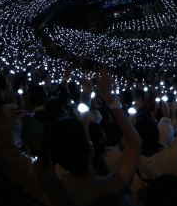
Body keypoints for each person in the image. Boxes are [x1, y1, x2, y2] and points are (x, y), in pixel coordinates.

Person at [49, 66, 142, 206]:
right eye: (88, 139)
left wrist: (86, 93)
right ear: (89, 151)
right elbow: (135, 143)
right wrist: (108, 97)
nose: (88, 136)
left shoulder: (65, 176)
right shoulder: (109, 188)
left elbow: (78, 136)